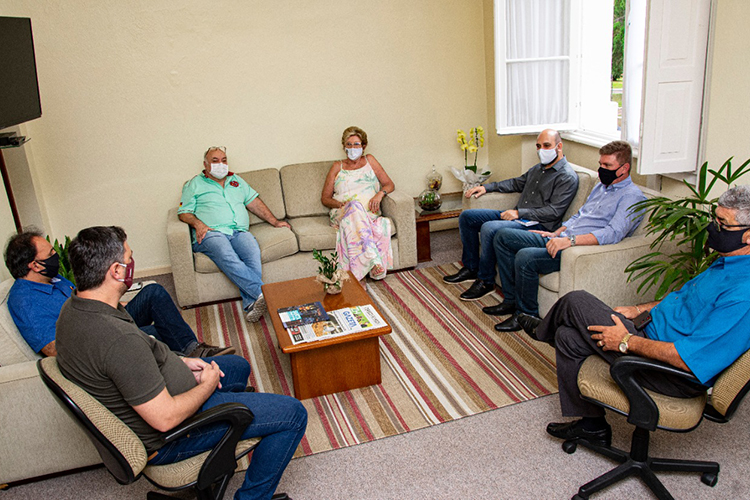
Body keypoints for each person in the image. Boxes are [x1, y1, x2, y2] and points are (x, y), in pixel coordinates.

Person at [56, 226, 307, 500]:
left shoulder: (76, 309)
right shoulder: (119, 341)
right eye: (129, 257)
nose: (133, 262)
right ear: (116, 271)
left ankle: (232, 419)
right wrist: (206, 386)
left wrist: (182, 362)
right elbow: (165, 419)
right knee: (293, 414)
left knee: (238, 367)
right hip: (173, 436)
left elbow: (139, 355)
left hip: (163, 389)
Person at [540, 185, 750, 447]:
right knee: (567, 336)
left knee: (576, 300)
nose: (712, 228)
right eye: (714, 219)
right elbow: (682, 301)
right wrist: (640, 309)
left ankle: (539, 332)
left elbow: (688, 359)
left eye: (722, 224)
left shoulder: (743, 294)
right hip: (648, 331)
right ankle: (592, 427)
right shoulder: (727, 262)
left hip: (671, 372)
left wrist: (626, 341)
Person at [489, 140, 647, 333]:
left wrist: (570, 241)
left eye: (607, 166)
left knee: (526, 257)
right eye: (600, 164)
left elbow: (613, 233)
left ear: (624, 168)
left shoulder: (632, 197)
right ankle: (510, 300)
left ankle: (525, 315)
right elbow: (580, 215)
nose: (602, 170)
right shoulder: (601, 187)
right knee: (503, 236)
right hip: (561, 237)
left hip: (578, 249)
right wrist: (556, 233)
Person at [4, 230, 232, 358]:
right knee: (158, 328)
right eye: (51, 253)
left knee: (155, 299)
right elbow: (53, 349)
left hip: (107, 317)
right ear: (35, 265)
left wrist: (114, 304)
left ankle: (194, 352)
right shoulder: (25, 301)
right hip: (99, 338)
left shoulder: (53, 278)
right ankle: (194, 363)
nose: (56, 255)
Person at [443, 129, 579, 303]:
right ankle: (471, 267)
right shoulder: (538, 169)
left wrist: (519, 213)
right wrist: (486, 187)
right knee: (467, 217)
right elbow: (516, 183)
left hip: (538, 224)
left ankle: (485, 281)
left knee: (490, 228)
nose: (541, 150)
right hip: (518, 217)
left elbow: (554, 211)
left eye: (546, 146)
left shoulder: (566, 177)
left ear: (559, 146)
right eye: (538, 146)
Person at [178, 146, 291, 322]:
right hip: (211, 232)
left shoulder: (236, 180)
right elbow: (183, 212)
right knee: (226, 254)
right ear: (205, 164)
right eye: (215, 161)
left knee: (252, 252)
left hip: (238, 231)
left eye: (224, 160)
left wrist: (275, 222)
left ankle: (252, 304)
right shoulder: (194, 184)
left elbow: (254, 203)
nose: (221, 164)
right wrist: (198, 224)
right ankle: (267, 295)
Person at [321, 126, 395, 281]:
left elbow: (389, 184)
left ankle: (362, 269)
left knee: (370, 217)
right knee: (354, 206)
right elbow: (325, 198)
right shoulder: (337, 166)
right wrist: (341, 205)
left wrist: (379, 195)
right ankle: (374, 261)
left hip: (368, 214)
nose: (352, 148)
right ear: (344, 147)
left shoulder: (370, 161)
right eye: (349, 144)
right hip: (344, 213)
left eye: (356, 144)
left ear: (364, 146)